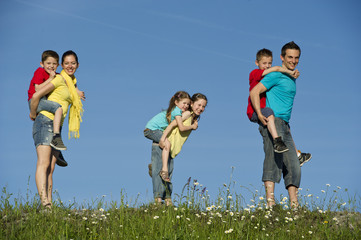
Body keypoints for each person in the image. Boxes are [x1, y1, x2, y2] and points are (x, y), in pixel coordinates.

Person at [250, 41, 306, 208]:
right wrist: (260, 114)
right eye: (290, 57)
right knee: (273, 160)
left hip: (285, 125)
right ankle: (270, 204)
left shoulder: (291, 76)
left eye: (296, 58)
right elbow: (254, 91)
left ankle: (295, 206)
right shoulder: (275, 75)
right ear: (282, 57)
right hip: (272, 122)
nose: (293, 61)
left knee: (294, 165)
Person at [30, 50, 84, 209]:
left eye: (73, 63)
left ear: (77, 65)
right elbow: (35, 95)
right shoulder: (60, 78)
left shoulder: (71, 82)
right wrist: (33, 113)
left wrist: (76, 91)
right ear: (62, 65)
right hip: (45, 121)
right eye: (66, 63)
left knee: (51, 168)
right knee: (44, 163)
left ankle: (49, 205)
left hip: (56, 127)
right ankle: (44, 203)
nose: (70, 66)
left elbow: (71, 91)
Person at [247, 48, 311, 165]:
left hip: (264, 110)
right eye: (264, 63)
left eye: (269, 63)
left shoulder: (268, 75)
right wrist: (289, 72)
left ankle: (297, 155)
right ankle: (277, 141)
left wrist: (292, 74)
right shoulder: (255, 73)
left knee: (287, 128)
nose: (267, 66)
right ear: (257, 63)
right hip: (255, 111)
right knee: (270, 112)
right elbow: (276, 69)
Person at [148, 93, 207, 206]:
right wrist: (163, 139)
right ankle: (158, 202)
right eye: (198, 105)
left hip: (170, 148)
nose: (201, 108)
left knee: (168, 173)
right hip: (163, 144)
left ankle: (168, 201)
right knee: (160, 172)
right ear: (192, 103)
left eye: (203, 106)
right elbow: (171, 126)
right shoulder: (186, 114)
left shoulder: (193, 118)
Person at [144, 91, 197, 183]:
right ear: (176, 102)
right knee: (167, 144)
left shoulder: (176, 110)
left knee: (166, 144)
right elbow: (181, 127)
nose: (186, 106)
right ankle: (164, 170)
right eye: (184, 103)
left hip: (154, 130)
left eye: (188, 104)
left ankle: (154, 166)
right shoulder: (177, 111)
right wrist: (192, 127)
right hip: (151, 130)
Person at [28, 50, 66, 151]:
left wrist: (77, 91)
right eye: (48, 63)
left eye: (54, 64)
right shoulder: (40, 71)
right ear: (42, 64)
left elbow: (66, 81)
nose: (51, 66)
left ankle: (57, 152)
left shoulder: (55, 74)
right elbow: (37, 89)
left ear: (58, 64)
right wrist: (50, 78)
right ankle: (56, 137)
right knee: (57, 107)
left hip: (43, 100)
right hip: (35, 101)